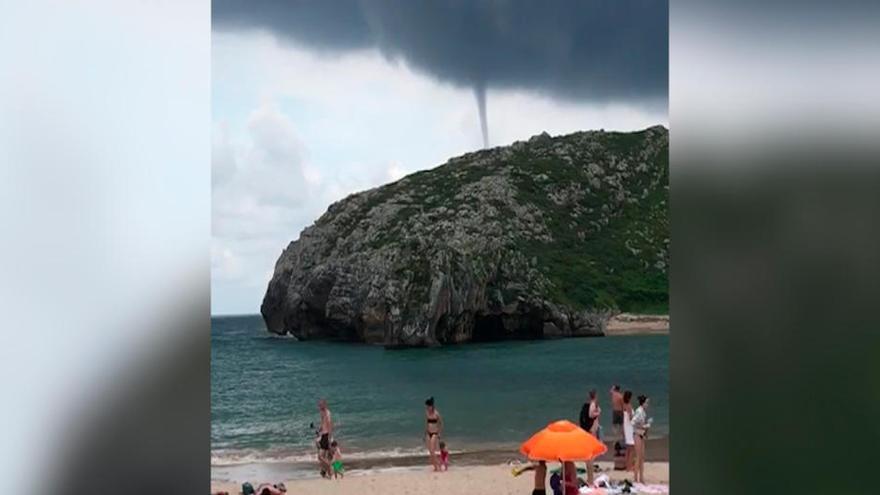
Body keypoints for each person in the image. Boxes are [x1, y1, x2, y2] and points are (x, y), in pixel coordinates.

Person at [631, 394, 652, 483]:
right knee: (638, 457)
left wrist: (645, 428)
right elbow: (633, 422)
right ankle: (636, 478)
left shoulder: (643, 412)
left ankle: (641, 478)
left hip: (641, 435)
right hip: (637, 435)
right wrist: (644, 426)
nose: (647, 404)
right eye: (646, 403)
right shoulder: (639, 411)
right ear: (643, 403)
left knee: (642, 457)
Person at [425, 396, 443, 471]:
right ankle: (436, 465)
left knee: (432, 450)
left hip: (434, 433)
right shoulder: (427, 412)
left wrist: (439, 433)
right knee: (430, 451)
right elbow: (426, 423)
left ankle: (437, 467)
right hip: (428, 432)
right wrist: (425, 432)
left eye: (429, 406)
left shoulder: (436, 414)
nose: (428, 407)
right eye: (427, 406)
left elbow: (441, 423)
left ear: (432, 406)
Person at [317, 399, 333, 478]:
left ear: (324, 405)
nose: (319, 407)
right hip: (323, 435)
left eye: (320, 405)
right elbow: (323, 423)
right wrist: (320, 429)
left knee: (320, 457)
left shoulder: (327, 414)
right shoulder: (322, 413)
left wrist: (329, 439)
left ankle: (329, 467)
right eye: (319, 405)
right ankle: (325, 471)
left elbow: (329, 425)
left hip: (326, 436)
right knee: (323, 456)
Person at [622, 390, 635, 471]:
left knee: (628, 448)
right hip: (630, 428)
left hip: (626, 427)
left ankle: (627, 465)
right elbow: (631, 418)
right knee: (631, 448)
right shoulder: (629, 406)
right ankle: (629, 466)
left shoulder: (624, 405)